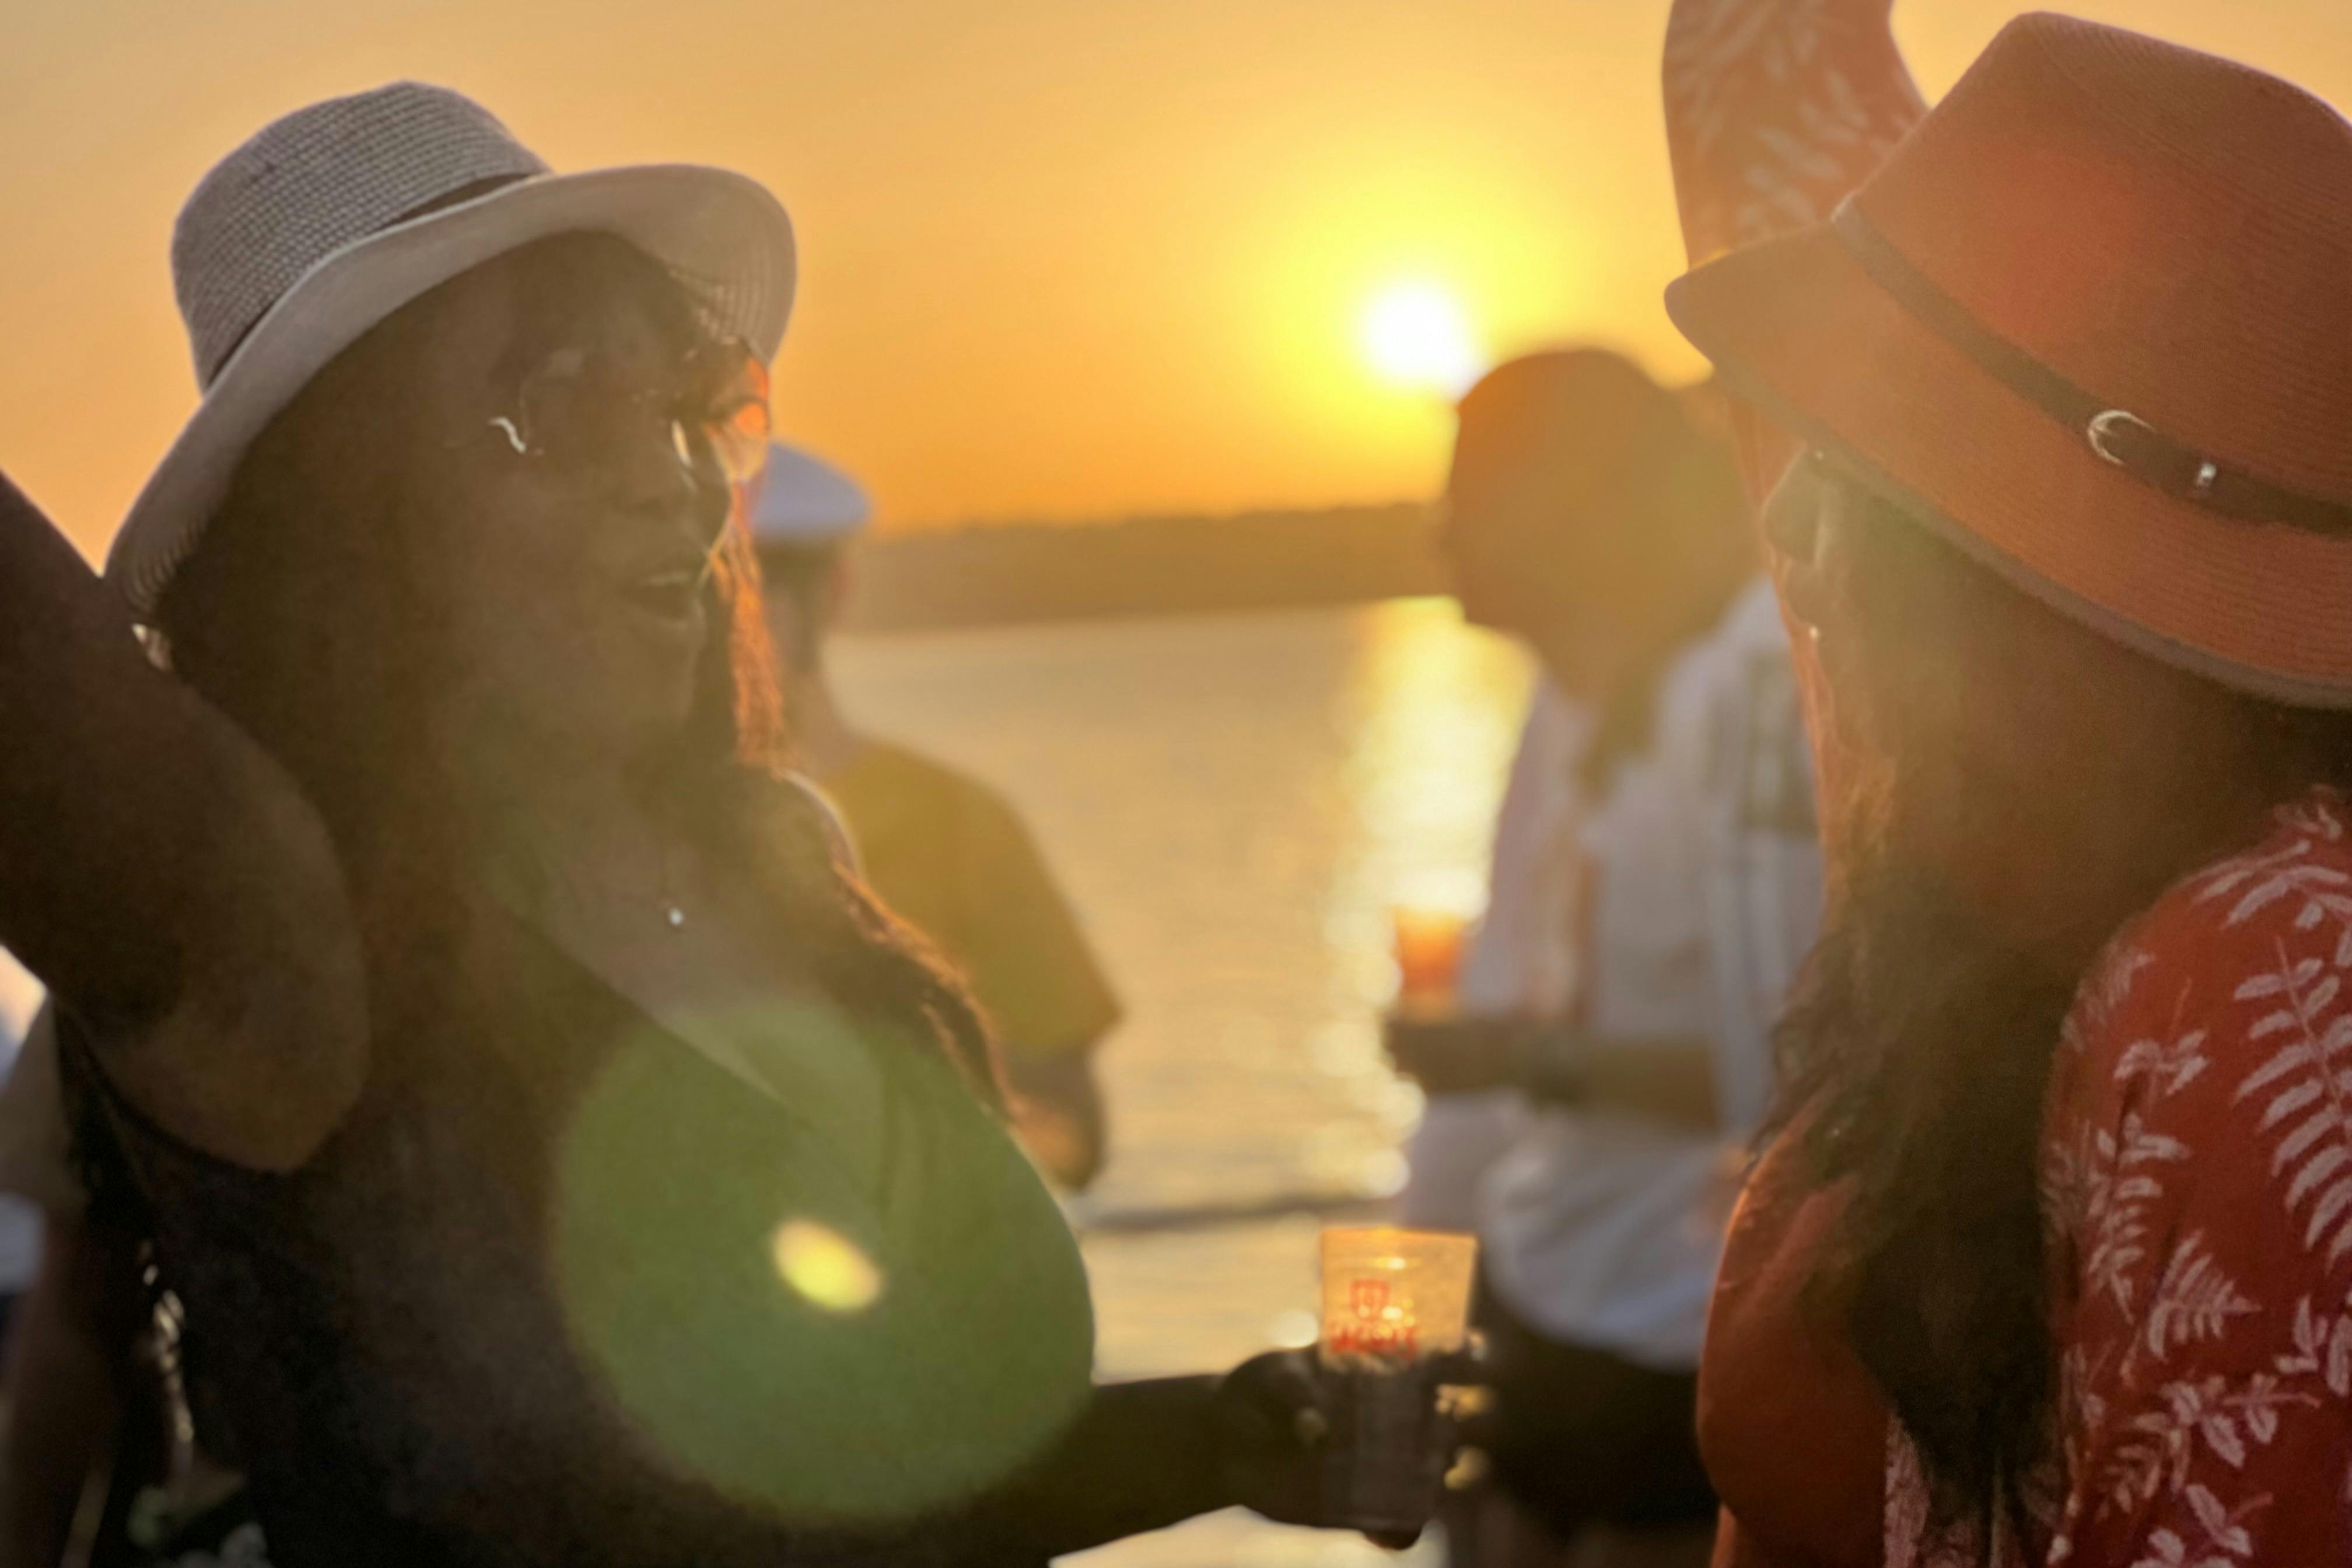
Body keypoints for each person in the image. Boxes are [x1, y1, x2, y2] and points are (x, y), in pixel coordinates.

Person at [0, 83, 1410, 1567]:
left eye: (685, 405)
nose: (673, 486)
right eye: (562, 405)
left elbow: (892, 1479)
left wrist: (1213, 1438)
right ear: (345, 507)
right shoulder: (282, 947)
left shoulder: (784, 861)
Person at [1662, 3, 2352, 1564]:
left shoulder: (2268, 974)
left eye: (1843, 476)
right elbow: (1747, 67)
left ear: (2013, 576)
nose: (1793, 554)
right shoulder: (1980, 878)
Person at [1386, 351, 1822, 1562]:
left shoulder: (1745, 711)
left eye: (1471, 486)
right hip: (1539, 1342)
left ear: (1574, 507)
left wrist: (1528, 1060)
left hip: (1681, 1365)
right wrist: (1410, 1340)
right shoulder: (1568, 708)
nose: (1439, 527)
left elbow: (1789, 1078)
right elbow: (1470, 1103)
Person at [748, 446, 1122, 1190]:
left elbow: (1079, 1150)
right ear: (844, 588)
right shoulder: (964, 820)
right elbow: (1079, 1143)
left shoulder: (963, 823)